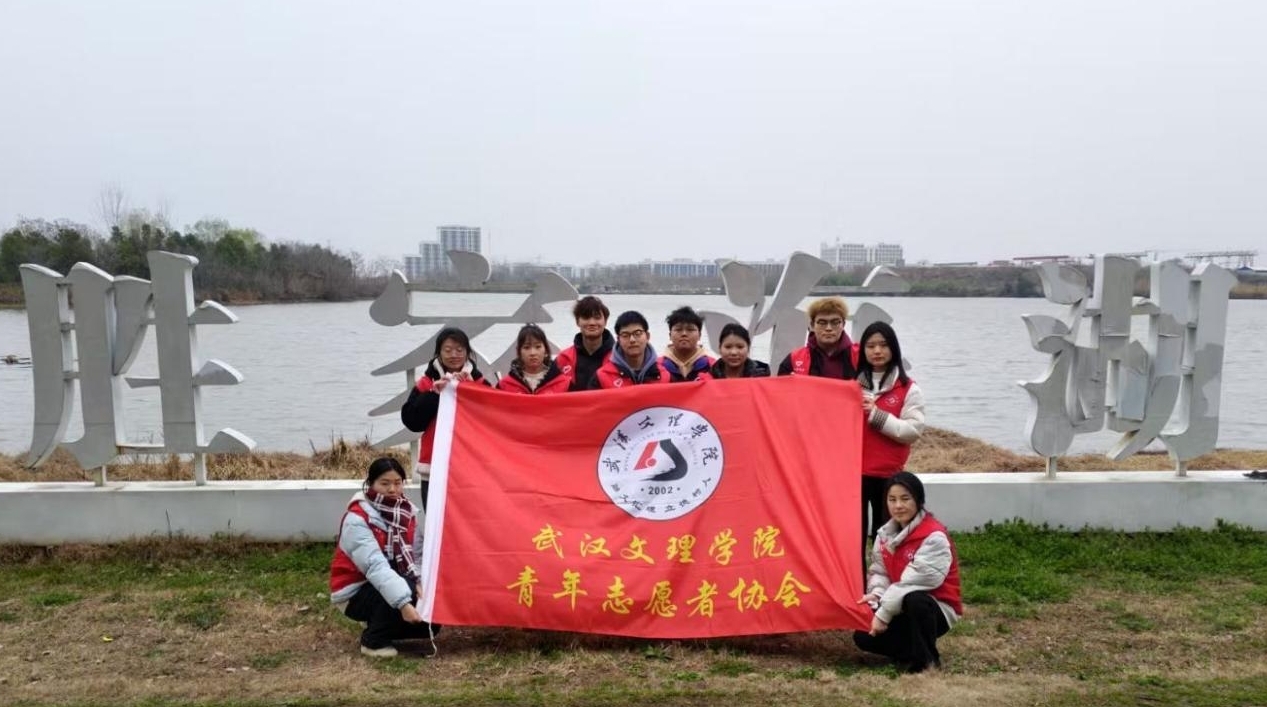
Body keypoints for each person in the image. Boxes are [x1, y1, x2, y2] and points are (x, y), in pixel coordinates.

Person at [329, 457, 439, 657]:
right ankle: (373, 641)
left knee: (431, 624)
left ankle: (378, 620)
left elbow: (417, 557)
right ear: (371, 484)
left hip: (393, 580)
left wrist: (421, 584)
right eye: (385, 483)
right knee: (405, 589)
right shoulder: (357, 519)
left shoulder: (406, 512)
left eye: (397, 483)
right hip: (355, 590)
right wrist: (404, 604)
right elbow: (375, 567)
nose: (392, 490)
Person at [854, 472, 961, 673]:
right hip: (899, 602)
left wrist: (883, 615)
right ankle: (911, 652)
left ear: (919, 500)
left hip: (935, 607)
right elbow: (880, 572)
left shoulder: (934, 536)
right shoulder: (884, 535)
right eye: (892, 499)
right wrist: (877, 594)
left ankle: (927, 662)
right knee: (862, 636)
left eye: (905, 499)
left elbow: (911, 583)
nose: (898, 506)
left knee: (915, 599)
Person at [400, 327, 490, 508]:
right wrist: (434, 394)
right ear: (438, 353)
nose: (454, 355)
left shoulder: (480, 383)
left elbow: (494, 419)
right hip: (434, 466)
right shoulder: (426, 383)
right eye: (447, 350)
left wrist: (471, 389)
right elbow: (412, 422)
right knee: (436, 517)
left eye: (459, 350)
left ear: (467, 353)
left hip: (472, 465)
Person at [857, 321, 925, 545]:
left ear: (894, 348)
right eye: (871, 346)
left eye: (884, 345)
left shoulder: (909, 388)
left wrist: (876, 415)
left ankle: (884, 569)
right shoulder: (850, 387)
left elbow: (913, 430)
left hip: (888, 476)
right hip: (854, 474)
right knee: (853, 536)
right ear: (863, 350)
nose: (877, 351)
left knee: (886, 536)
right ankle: (856, 570)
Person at [777, 297, 858, 380]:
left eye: (835, 322)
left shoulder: (860, 356)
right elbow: (779, 387)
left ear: (843, 324)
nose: (828, 328)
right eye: (822, 323)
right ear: (812, 325)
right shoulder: (794, 359)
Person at [588, 311, 672, 389]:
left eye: (637, 333)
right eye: (625, 335)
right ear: (618, 340)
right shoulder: (602, 377)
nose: (632, 340)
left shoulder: (665, 376)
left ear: (647, 336)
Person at [555, 296, 615, 392]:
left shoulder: (619, 359)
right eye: (586, 317)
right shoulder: (563, 359)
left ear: (605, 321)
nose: (592, 323)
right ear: (577, 321)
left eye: (597, 317)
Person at [497, 324, 572, 394]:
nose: (532, 353)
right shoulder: (504, 386)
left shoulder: (565, 384)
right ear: (519, 352)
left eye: (538, 347)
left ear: (546, 350)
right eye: (526, 347)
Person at [660, 306, 714, 382]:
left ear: (699, 335)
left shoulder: (713, 366)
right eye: (678, 329)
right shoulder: (657, 367)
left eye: (690, 329)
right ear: (670, 335)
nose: (684, 334)